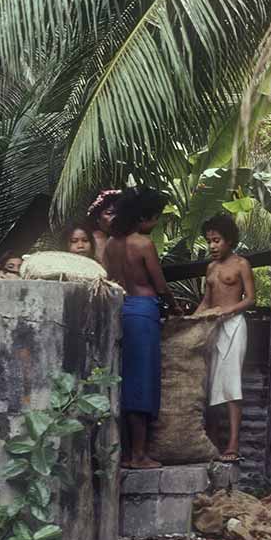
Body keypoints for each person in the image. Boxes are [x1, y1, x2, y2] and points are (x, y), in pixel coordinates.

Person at [105, 187, 181, 469]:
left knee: (126, 379)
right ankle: (139, 455)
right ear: (143, 217)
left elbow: (109, 278)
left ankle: (126, 452)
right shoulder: (143, 244)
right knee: (142, 382)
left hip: (121, 310)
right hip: (143, 312)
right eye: (155, 218)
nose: (156, 224)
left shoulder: (111, 244)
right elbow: (160, 285)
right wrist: (173, 306)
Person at [192, 215, 255, 463]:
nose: (212, 246)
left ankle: (233, 443)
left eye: (216, 240)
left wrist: (227, 311)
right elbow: (206, 302)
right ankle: (214, 441)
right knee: (211, 384)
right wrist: (190, 321)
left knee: (231, 383)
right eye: (209, 241)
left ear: (229, 240)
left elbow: (250, 299)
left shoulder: (241, 264)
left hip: (234, 326)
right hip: (212, 328)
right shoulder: (211, 268)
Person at [87, 189, 121, 265]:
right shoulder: (95, 239)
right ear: (97, 217)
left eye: (118, 213)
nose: (115, 217)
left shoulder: (120, 238)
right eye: (109, 213)